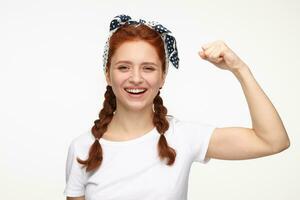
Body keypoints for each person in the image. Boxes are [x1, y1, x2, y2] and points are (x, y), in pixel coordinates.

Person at [63, 14, 290, 200]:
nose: (136, 78)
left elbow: (273, 141)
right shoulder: (82, 149)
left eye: (148, 68)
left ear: (163, 77)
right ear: (108, 75)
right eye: (124, 67)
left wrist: (240, 69)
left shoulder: (183, 136)